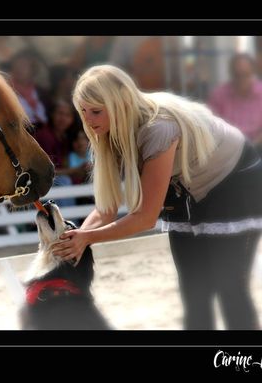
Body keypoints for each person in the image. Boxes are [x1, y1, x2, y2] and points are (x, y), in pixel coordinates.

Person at [52, 64, 262, 330]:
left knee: (229, 287)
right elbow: (106, 210)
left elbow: (145, 218)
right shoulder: (108, 131)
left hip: (236, 182)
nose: (88, 119)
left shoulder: (157, 128)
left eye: (95, 111)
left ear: (122, 104)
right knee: (194, 292)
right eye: (82, 110)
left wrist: (87, 238)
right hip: (188, 188)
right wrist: (77, 242)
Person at [209, 53, 262, 154]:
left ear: (252, 73)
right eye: (237, 75)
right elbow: (212, 127)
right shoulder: (219, 95)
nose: (241, 79)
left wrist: (253, 145)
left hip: (258, 147)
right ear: (231, 74)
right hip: (228, 150)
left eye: (245, 74)